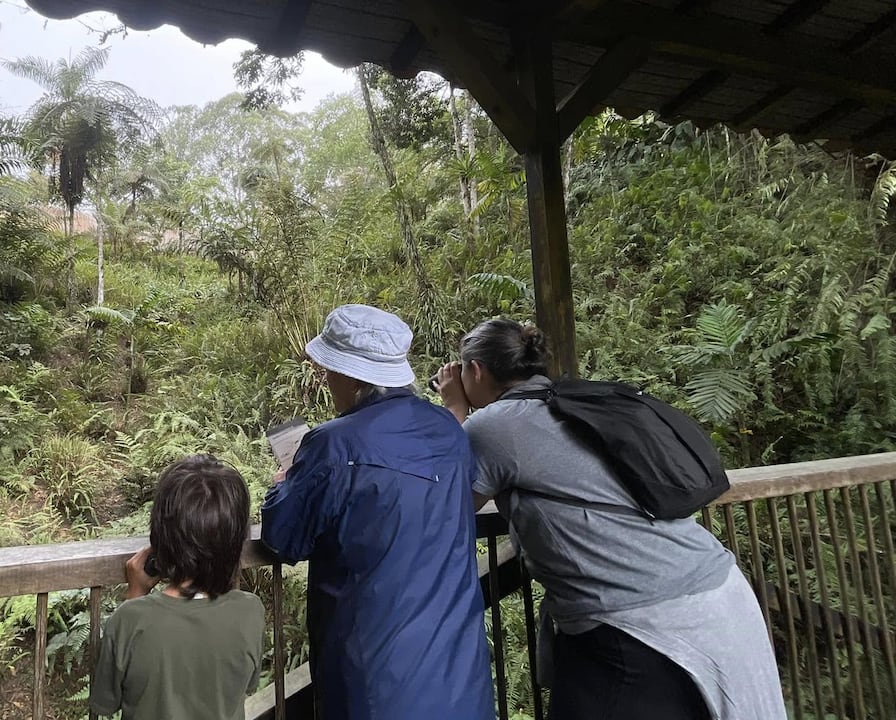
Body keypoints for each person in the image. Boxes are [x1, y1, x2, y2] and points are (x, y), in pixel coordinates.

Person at [436, 317, 786, 720]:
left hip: (638, 622)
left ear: (476, 370)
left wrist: (455, 411)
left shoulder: (492, 425)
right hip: (716, 593)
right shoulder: (575, 402)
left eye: (462, 369)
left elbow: (448, 504)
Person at [261, 304, 495, 720]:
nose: (326, 378)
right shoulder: (448, 432)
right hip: (458, 674)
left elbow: (284, 538)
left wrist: (284, 485)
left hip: (374, 684)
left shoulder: (333, 445)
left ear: (352, 378)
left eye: (329, 368)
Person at [90, 455, 265, 720]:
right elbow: (248, 684)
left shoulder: (130, 619)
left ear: (160, 536)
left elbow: (105, 701)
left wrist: (135, 594)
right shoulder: (250, 611)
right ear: (236, 540)